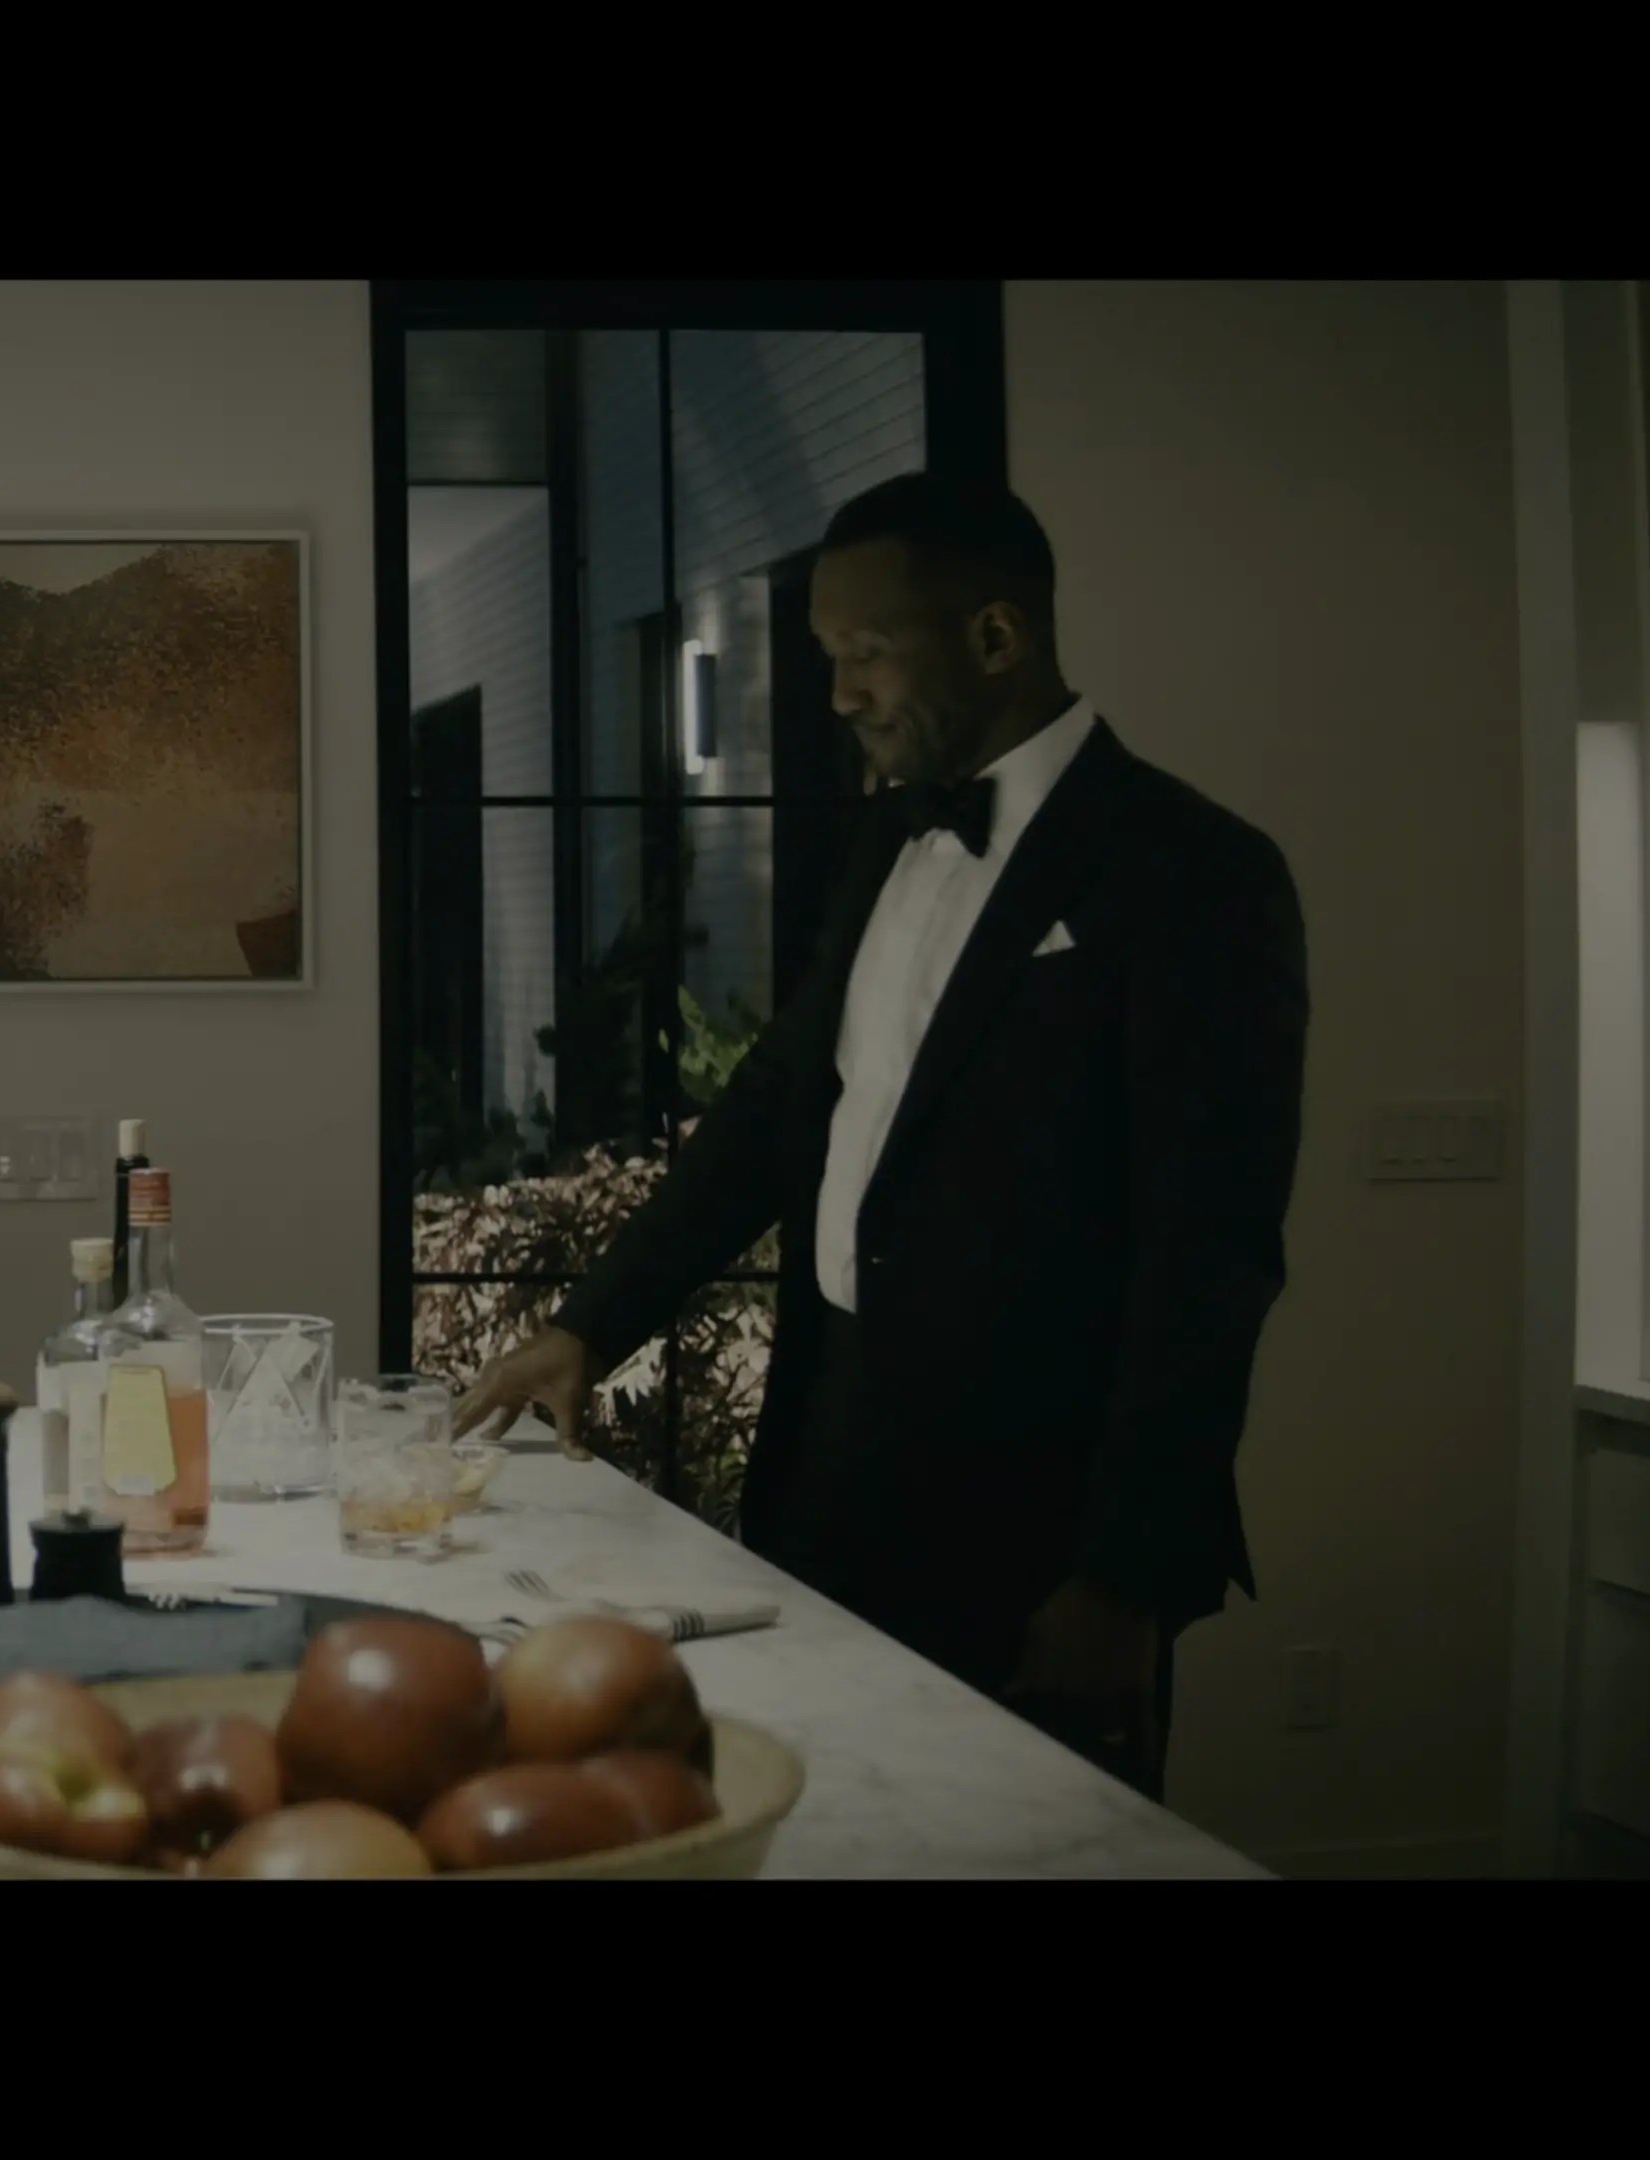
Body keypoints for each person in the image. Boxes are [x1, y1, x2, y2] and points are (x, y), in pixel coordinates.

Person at [451, 472, 1309, 1804]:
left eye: (865, 652)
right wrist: (589, 1325)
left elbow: (1209, 1261)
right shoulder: (885, 840)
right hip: (827, 1462)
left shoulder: (1197, 871)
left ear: (996, 637)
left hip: (1037, 1519)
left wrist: (1121, 1581)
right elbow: (775, 1111)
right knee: (824, 1821)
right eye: (826, 658)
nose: (841, 694)